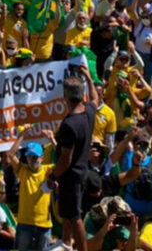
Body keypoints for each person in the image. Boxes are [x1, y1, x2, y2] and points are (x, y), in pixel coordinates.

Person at [53, 74, 96, 251]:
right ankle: (66, 242)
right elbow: (95, 98)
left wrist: (53, 175)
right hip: (82, 171)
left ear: (65, 96)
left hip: (71, 175)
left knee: (75, 216)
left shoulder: (69, 125)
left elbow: (65, 159)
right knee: (68, 213)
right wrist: (88, 77)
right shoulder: (89, 111)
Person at [6, 133, 55, 251]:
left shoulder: (48, 170)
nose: (32, 160)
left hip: (44, 224)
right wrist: (21, 135)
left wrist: (52, 140)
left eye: (35, 157)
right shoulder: (22, 170)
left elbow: (64, 161)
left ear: (42, 158)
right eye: (29, 157)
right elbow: (10, 154)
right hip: (24, 223)